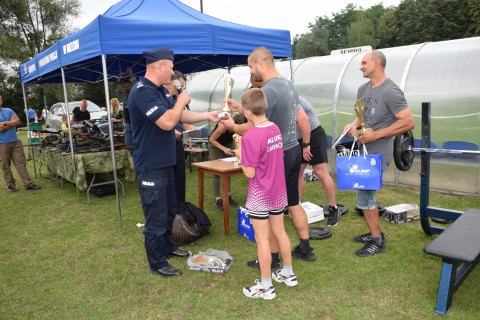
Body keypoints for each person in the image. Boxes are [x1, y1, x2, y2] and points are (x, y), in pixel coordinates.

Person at [128, 48, 221, 277]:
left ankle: (168, 247)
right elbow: (168, 122)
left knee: (170, 212)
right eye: (170, 67)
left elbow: (178, 115)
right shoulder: (142, 92)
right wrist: (180, 100)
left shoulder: (158, 90)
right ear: (159, 66)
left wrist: (207, 115)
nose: (172, 72)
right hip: (151, 166)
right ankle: (157, 262)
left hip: (165, 163)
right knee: (156, 218)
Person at [222, 46, 316, 267]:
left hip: (277, 156)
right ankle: (305, 247)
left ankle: (271, 258)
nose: (250, 71)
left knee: (269, 209)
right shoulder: (286, 83)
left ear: (260, 64)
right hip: (292, 149)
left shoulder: (269, 90)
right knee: (293, 202)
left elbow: (255, 127)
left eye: (250, 66)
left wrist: (233, 126)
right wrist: (242, 108)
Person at [344, 50, 415, 257]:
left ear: (377, 63)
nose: (361, 66)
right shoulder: (363, 88)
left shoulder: (391, 91)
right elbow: (361, 116)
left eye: (364, 63)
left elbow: (408, 122)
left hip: (379, 154)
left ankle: (377, 241)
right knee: (364, 196)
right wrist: (353, 125)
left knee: (366, 197)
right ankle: (373, 232)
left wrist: (377, 135)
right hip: (364, 151)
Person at [238, 88, 297, 300]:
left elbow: (249, 172)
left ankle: (265, 287)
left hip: (260, 194)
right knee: (280, 232)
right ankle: (288, 274)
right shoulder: (275, 129)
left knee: (262, 239)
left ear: (246, 112)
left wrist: (240, 155)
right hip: (278, 191)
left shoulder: (250, 137)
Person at [297, 96, 340, 227]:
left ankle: (334, 208)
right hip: (298, 139)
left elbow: (305, 120)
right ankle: (296, 206)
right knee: (297, 173)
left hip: (313, 134)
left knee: (320, 172)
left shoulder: (290, 97)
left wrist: (306, 145)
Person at [0, 95, 41, 192]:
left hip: (15, 141)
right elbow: (1, 129)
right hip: (2, 144)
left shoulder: (9, 110)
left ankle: (28, 184)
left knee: (21, 163)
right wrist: (11, 123)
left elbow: (17, 121)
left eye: (0, 99)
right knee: (5, 165)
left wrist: (5, 123)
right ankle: (11, 185)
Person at [208, 113, 246, 211]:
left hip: (228, 143)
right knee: (216, 172)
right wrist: (224, 149)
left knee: (228, 170)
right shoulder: (222, 126)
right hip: (215, 145)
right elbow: (211, 139)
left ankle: (228, 196)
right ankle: (218, 200)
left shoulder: (239, 127)